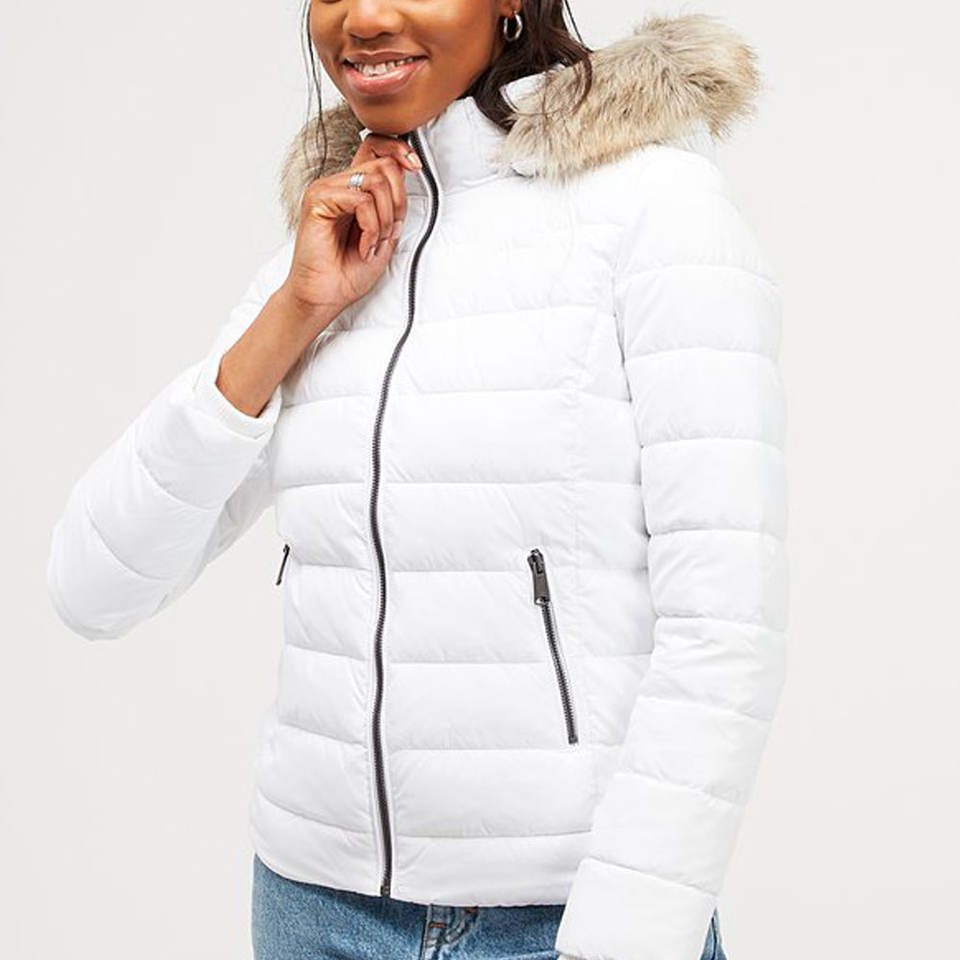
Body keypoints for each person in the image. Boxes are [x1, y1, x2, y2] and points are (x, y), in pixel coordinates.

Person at [46, 4, 787, 960]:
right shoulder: (336, 239)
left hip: (559, 920)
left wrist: (628, 935)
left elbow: (725, 626)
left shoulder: (657, 210)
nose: (364, 17)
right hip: (313, 908)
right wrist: (296, 309)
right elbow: (94, 586)